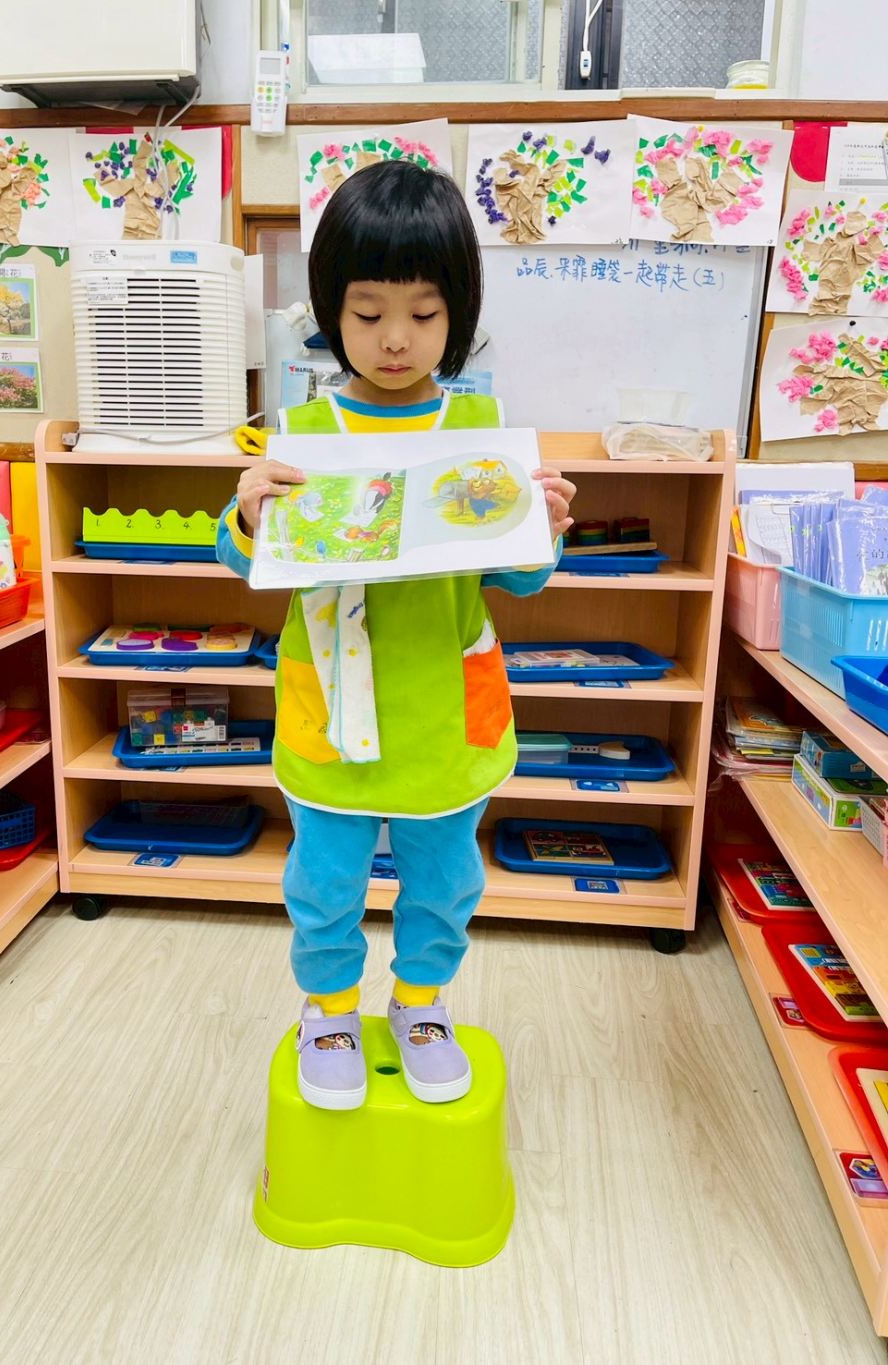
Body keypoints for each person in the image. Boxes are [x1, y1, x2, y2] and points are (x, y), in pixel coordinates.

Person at [217, 159, 575, 1111]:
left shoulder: (481, 429)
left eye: (423, 312)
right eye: (368, 311)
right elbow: (248, 560)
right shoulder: (302, 431)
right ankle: (329, 1009)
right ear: (330, 309)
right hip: (331, 710)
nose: (394, 338)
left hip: (443, 711)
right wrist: (247, 514)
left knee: (445, 879)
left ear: (459, 310)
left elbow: (518, 579)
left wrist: (542, 528)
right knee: (324, 879)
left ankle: (421, 1004)